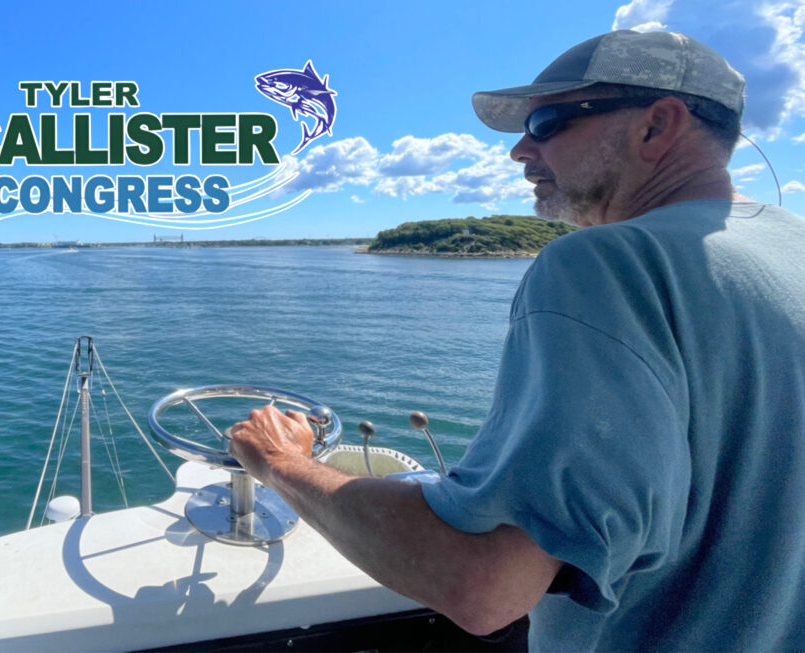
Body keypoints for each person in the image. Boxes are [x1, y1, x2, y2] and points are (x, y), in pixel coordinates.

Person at [231, 29, 805, 651]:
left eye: (549, 121)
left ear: (656, 126)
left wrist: (281, 463)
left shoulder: (607, 265)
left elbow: (484, 583)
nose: (520, 152)